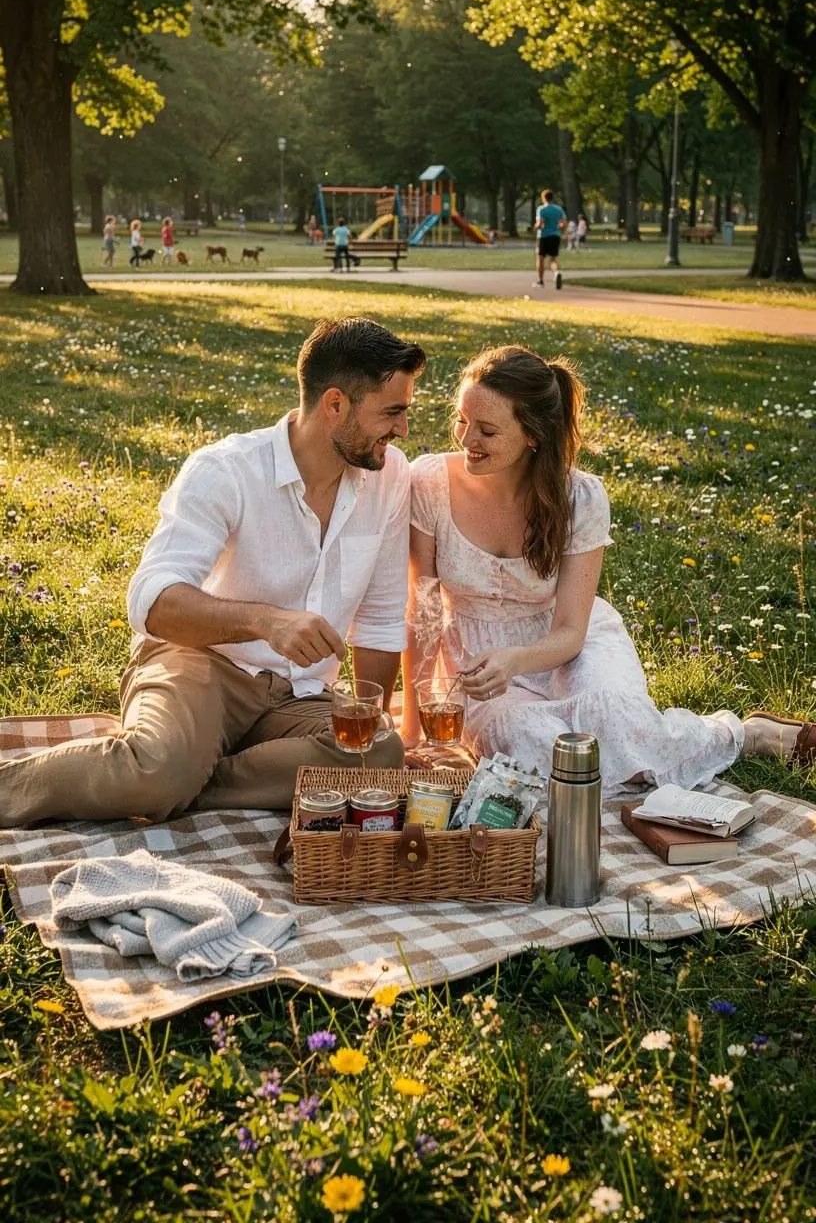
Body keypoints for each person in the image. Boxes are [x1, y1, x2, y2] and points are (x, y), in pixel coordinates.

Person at [0, 318, 427, 828]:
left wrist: (366, 714)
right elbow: (152, 603)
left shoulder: (390, 474)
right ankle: (56, 787)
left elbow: (379, 617)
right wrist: (266, 621)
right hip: (200, 664)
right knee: (154, 768)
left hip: (300, 693)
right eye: (392, 412)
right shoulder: (225, 470)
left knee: (377, 753)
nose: (402, 429)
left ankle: (191, 783)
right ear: (335, 406)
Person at [401, 346, 814, 789]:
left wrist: (515, 659)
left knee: (613, 714)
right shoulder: (430, 482)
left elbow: (570, 632)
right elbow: (422, 613)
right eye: (462, 421)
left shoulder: (579, 498)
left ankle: (747, 734)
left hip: (560, 645)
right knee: (517, 736)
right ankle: (647, 754)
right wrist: (411, 729)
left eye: (486, 430)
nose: (466, 440)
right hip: (478, 660)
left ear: (533, 436)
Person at [534, 189, 567, 289]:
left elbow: (540, 224)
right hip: (555, 236)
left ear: (543, 198)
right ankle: (556, 273)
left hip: (544, 236)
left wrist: (535, 227)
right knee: (553, 258)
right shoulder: (558, 209)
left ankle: (540, 281)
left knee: (540, 259)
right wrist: (559, 227)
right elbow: (564, 223)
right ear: (552, 198)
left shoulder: (541, 209)